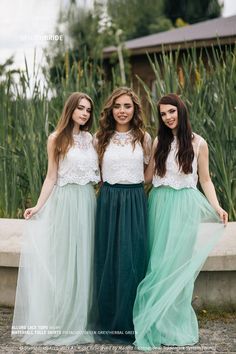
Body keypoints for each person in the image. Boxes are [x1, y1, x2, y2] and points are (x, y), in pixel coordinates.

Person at [133, 93, 228, 350]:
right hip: (160, 206)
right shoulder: (159, 143)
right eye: (163, 114)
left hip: (186, 207)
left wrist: (217, 207)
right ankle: (154, 322)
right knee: (158, 265)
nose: (168, 117)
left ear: (181, 111)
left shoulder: (199, 144)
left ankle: (174, 326)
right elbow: (148, 177)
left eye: (171, 112)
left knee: (179, 268)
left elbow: (205, 180)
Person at [11, 92, 100, 345]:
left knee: (85, 259)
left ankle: (81, 318)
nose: (85, 113)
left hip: (87, 201)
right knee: (63, 260)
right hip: (64, 203)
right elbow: (51, 177)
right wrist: (38, 206)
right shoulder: (56, 139)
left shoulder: (90, 139)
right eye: (80, 108)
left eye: (88, 110)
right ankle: (60, 319)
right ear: (70, 109)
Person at [93, 87, 152, 342]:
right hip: (108, 200)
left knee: (132, 258)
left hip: (135, 200)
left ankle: (130, 321)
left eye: (127, 106)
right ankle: (109, 320)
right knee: (108, 258)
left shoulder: (144, 137)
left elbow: (149, 171)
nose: (122, 111)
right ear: (111, 109)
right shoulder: (100, 138)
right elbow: (95, 170)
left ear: (135, 109)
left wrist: (136, 186)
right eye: (118, 106)